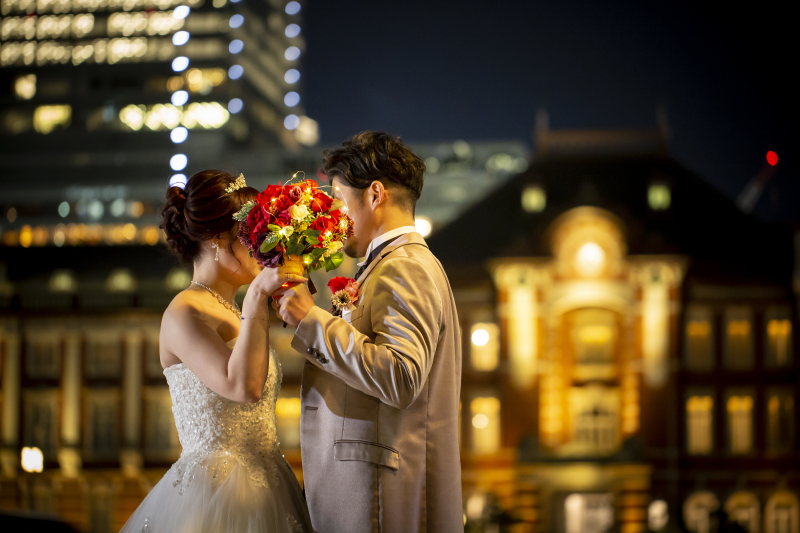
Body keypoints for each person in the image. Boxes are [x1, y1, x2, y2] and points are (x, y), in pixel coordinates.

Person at [276, 132, 464, 532]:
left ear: (375, 195)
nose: (337, 220)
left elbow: (400, 376)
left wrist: (312, 321)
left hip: (380, 501)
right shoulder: (392, 264)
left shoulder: (405, 266)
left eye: (342, 202)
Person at [120, 170, 313, 533]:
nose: (262, 246)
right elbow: (243, 387)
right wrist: (258, 294)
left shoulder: (235, 310)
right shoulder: (184, 311)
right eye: (251, 235)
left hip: (269, 481)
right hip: (213, 493)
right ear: (215, 239)